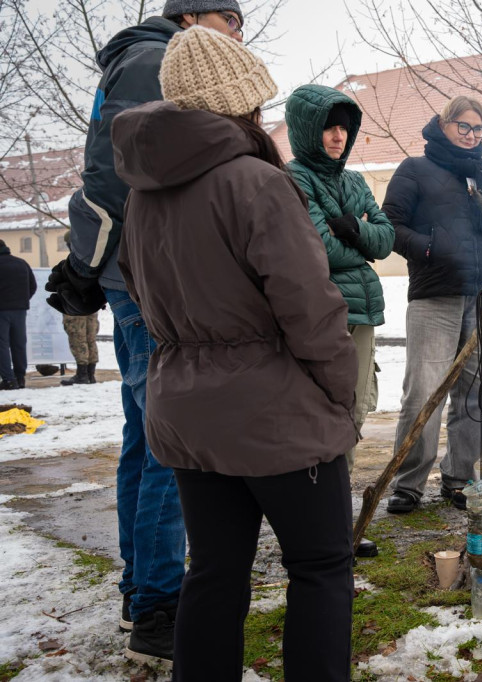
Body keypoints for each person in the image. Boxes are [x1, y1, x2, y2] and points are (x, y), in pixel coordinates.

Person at [113, 26, 358, 681]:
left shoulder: (141, 194)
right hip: (274, 414)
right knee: (322, 567)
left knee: (214, 572)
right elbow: (311, 308)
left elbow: (136, 291)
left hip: (186, 413)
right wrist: (340, 398)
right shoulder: (255, 182)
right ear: (243, 101)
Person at [42, 0, 247, 664]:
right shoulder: (157, 60)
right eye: (229, 20)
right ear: (192, 17)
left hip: (136, 272)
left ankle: (143, 593)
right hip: (150, 277)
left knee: (145, 437)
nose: (236, 35)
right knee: (172, 443)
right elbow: (112, 174)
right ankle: (159, 607)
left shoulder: (138, 58)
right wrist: (93, 260)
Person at [382, 96, 482, 514]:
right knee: (424, 391)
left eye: (479, 130)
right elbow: (389, 225)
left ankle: (459, 477)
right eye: (464, 126)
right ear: (443, 124)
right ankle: (408, 483)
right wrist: (428, 248)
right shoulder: (415, 170)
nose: (471, 135)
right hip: (435, 296)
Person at [285, 84, 395, 558]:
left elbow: (387, 237)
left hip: (364, 313)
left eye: (345, 129)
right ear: (309, 130)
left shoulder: (353, 182)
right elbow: (317, 249)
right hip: (325, 314)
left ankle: (339, 527)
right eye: (330, 127)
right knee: (322, 419)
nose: (338, 136)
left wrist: (354, 230)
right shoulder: (293, 178)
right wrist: (358, 238)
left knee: (354, 414)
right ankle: (314, 529)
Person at [58, 234, 100, 387]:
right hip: (91, 306)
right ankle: (90, 374)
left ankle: (82, 375)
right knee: (90, 338)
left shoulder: (71, 262)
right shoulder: (91, 259)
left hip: (75, 307)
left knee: (78, 339)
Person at [0, 239, 36, 390]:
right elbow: (32, 286)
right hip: (20, 310)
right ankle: (20, 378)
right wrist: (22, 300)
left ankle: (8, 380)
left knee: (2, 345)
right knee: (19, 344)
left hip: (1, 311)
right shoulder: (22, 263)